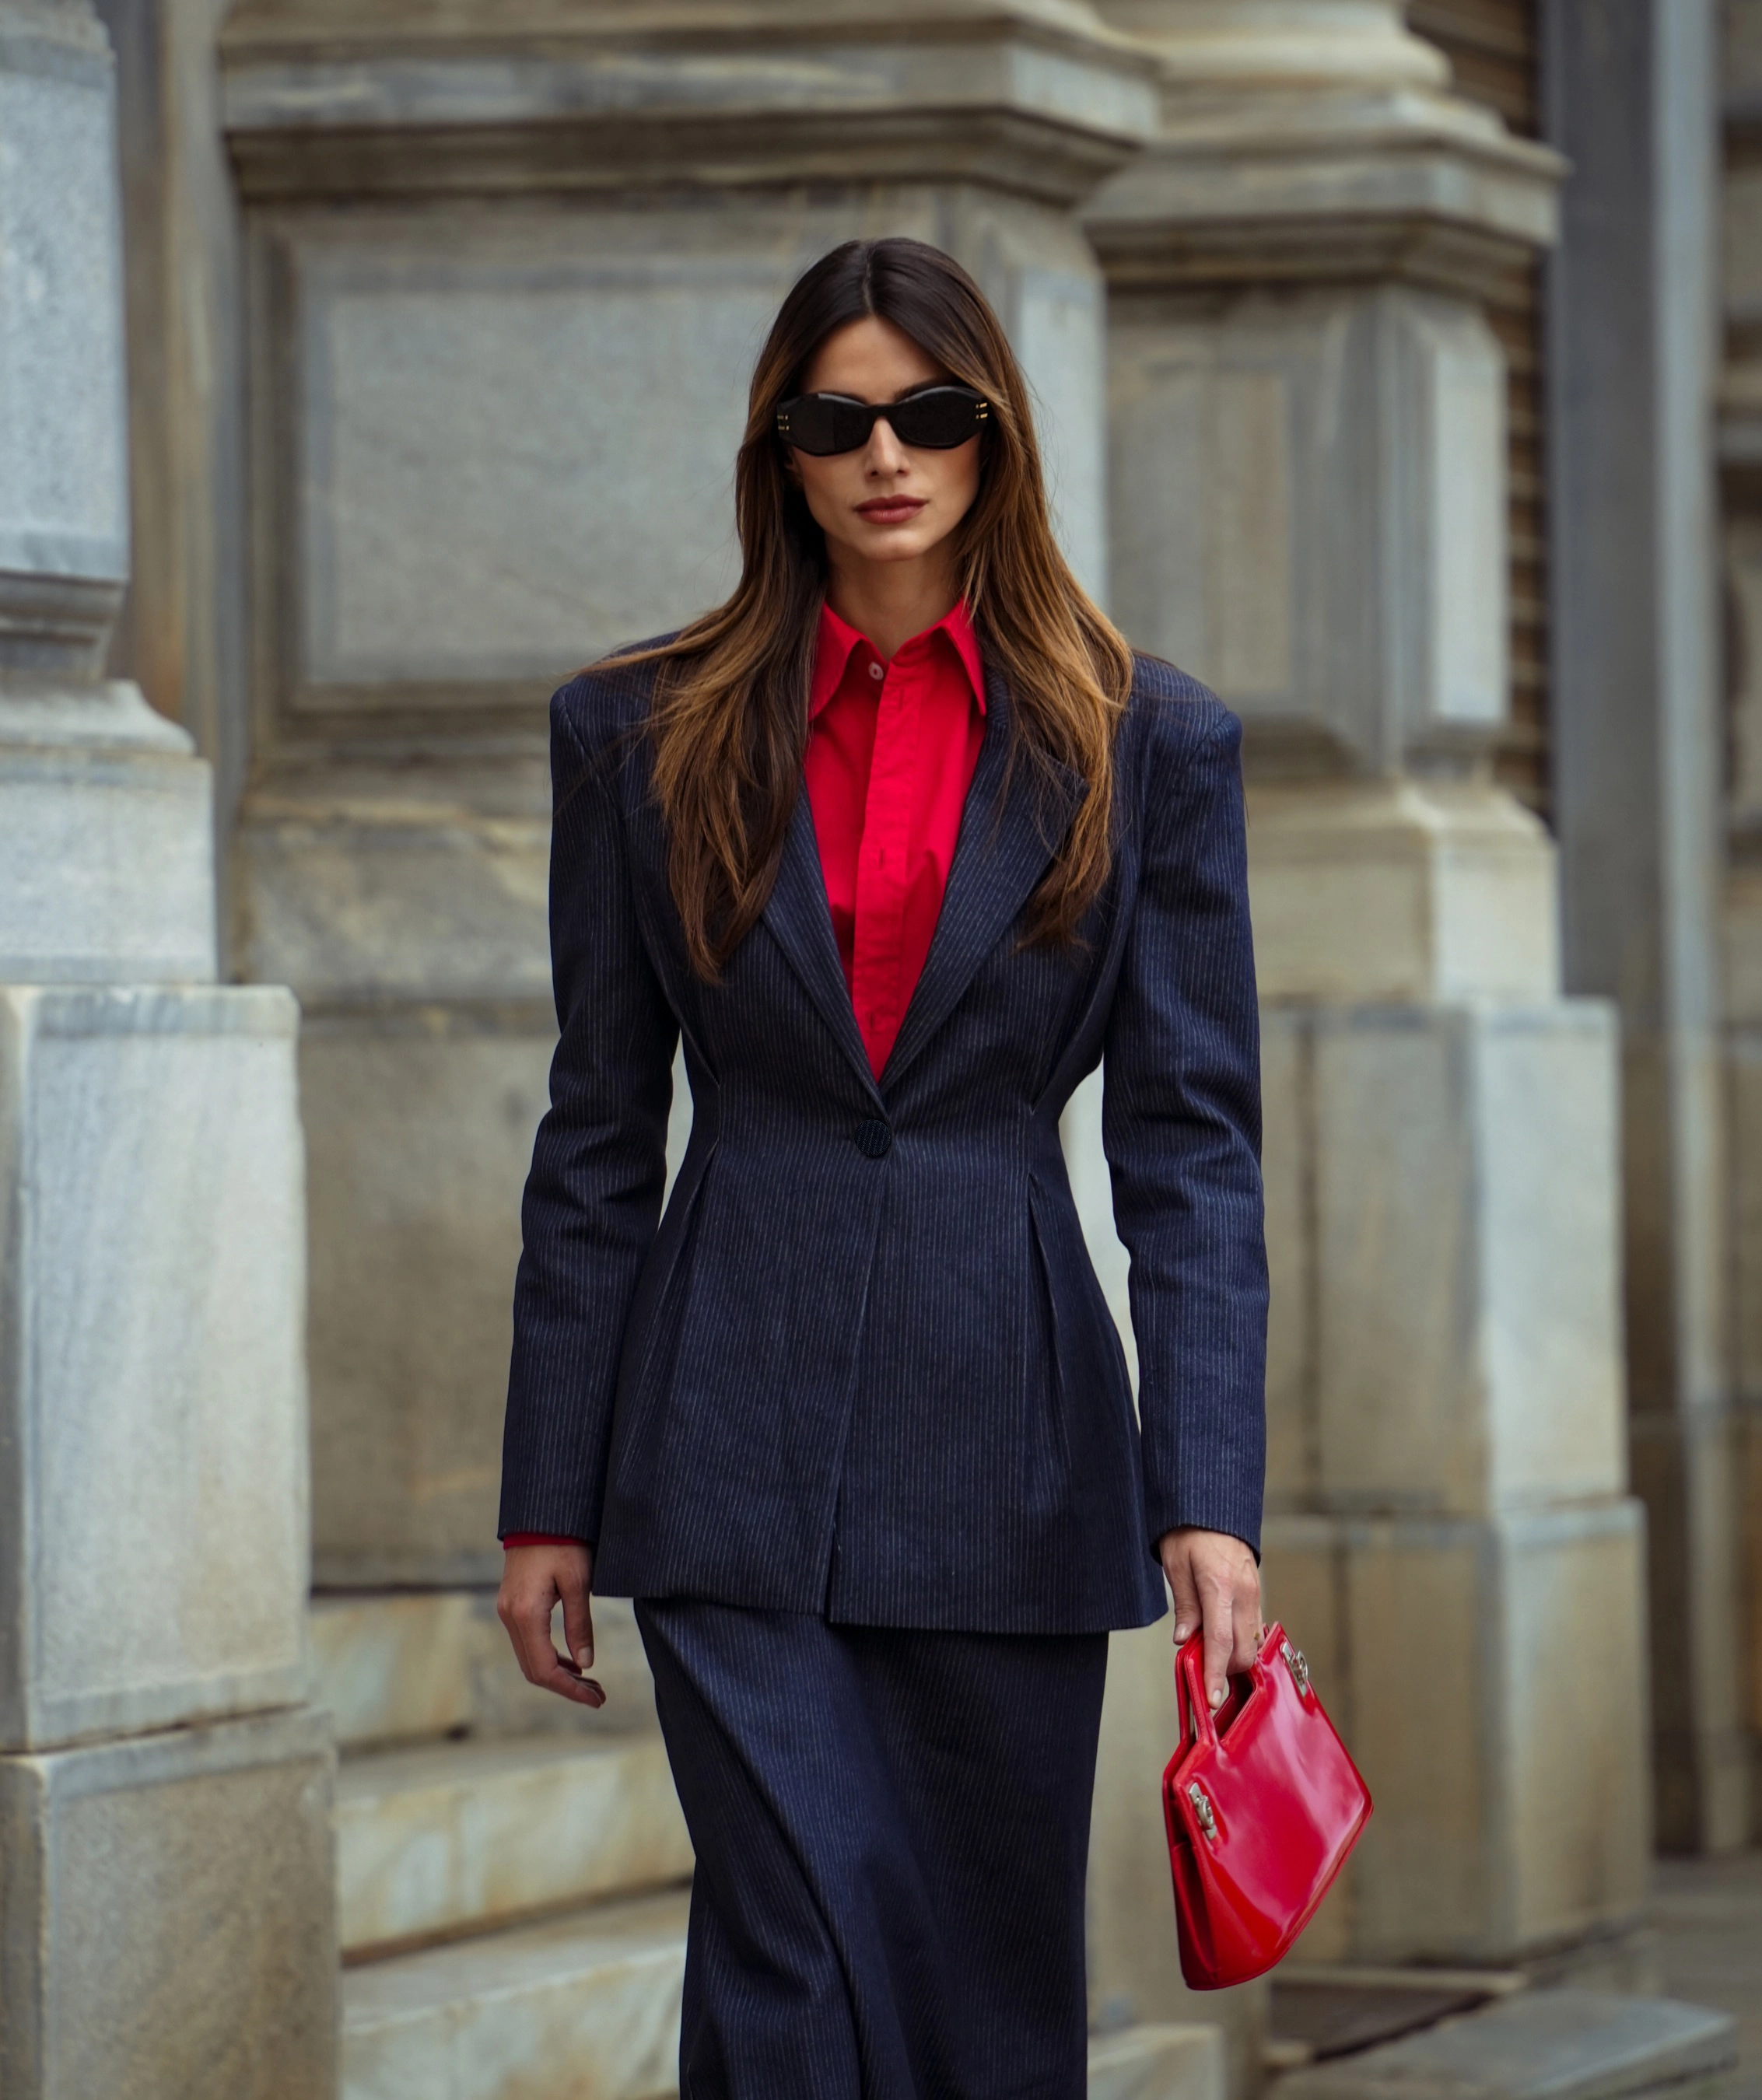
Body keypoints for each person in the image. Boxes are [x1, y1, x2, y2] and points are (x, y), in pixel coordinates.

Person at [495, 236, 1267, 2099]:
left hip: (1005, 1436)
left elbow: (1190, 1145)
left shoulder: (1140, 740)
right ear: (781, 448)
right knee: (789, 1950)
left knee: (982, 1993)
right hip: (722, 1432)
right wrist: (549, 1494)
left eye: (929, 412)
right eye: (835, 420)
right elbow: (599, 1127)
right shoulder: (635, 732)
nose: (885, 455)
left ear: (993, 435)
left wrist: (1211, 1495)